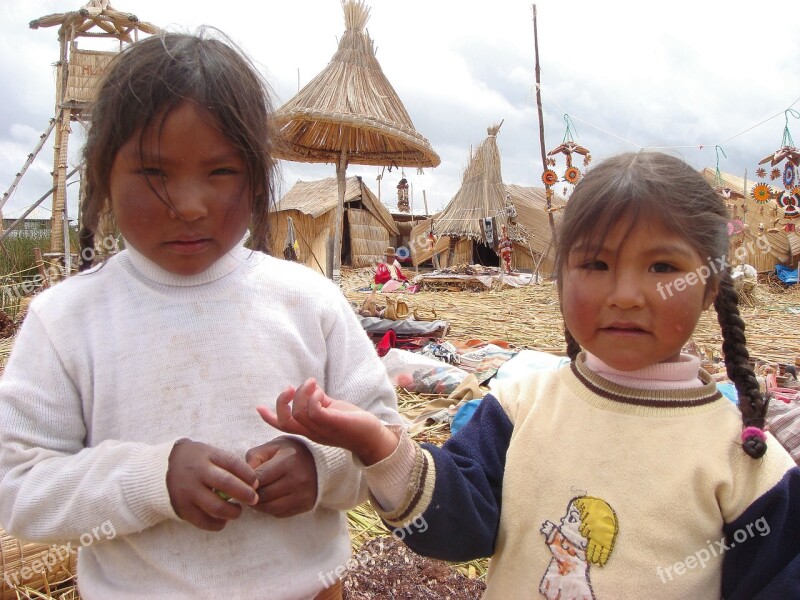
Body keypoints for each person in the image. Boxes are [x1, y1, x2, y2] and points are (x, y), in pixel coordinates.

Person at [259, 152, 800, 599]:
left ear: (709, 287)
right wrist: (381, 447)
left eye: (663, 267)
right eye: (596, 265)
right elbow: (458, 525)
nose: (628, 295)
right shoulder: (520, 410)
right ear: (560, 279)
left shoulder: (742, 458)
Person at [0, 31, 400, 600]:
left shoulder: (308, 302)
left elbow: (387, 443)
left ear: (258, 179)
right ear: (102, 177)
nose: (188, 205)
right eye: (155, 174)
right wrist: (151, 481)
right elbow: (17, 489)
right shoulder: (66, 321)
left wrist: (322, 469)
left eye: (221, 173)